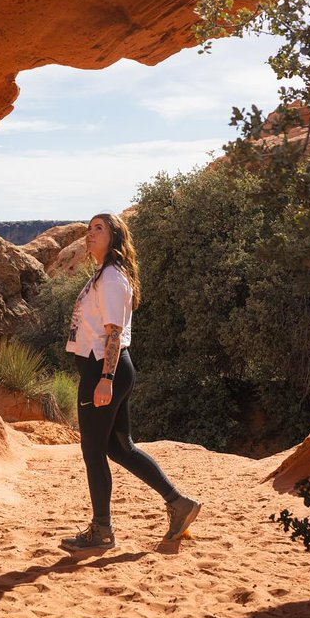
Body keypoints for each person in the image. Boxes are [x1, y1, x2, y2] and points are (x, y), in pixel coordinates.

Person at [60, 211, 202, 553]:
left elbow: (114, 333)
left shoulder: (110, 277)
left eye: (99, 229)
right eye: (89, 228)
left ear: (115, 237)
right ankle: (179, 503)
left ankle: (102, 531)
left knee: (94, 452)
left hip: (103, 370)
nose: (90, 234)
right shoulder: (106, 274)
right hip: (111, 370)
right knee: (120, 447)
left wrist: (105, 379)